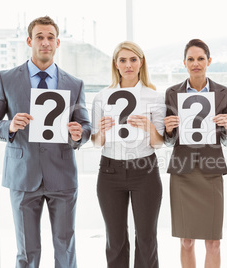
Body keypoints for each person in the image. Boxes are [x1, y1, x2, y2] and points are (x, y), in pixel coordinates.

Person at [0, 16, 91, 268]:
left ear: (58, 42)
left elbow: (86, 125)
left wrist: (79, 133)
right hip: (23, 175)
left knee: (65, 247)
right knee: (27, 250)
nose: (45, 42)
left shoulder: (75, 83)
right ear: (30, 41)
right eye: (40, 37)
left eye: (50, 37)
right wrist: (10, 126)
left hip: (62, 175)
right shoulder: (5, 78)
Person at [91, 41, 164, 268]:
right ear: (116, 64)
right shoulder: (102, 96)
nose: (128, 65)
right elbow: (95, 142)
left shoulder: (154, 96)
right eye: (123, 60)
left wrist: (149, 127)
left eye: (133, 59)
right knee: (115, 239)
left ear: (141, 63)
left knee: (146, 238)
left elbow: (159, 142)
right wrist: (100, 132)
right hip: (110, 170)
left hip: (145, 170)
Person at [164, 39, 227, 268]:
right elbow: (169, 140)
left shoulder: (223, 92)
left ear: (209, 61)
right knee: (186, 241)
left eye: (200, 58)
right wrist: (169, 129)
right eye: (191, 59)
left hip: (211, 171)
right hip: (183, 172)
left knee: (213, 242)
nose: (196, 63)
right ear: (184, 63)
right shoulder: (172, 93)